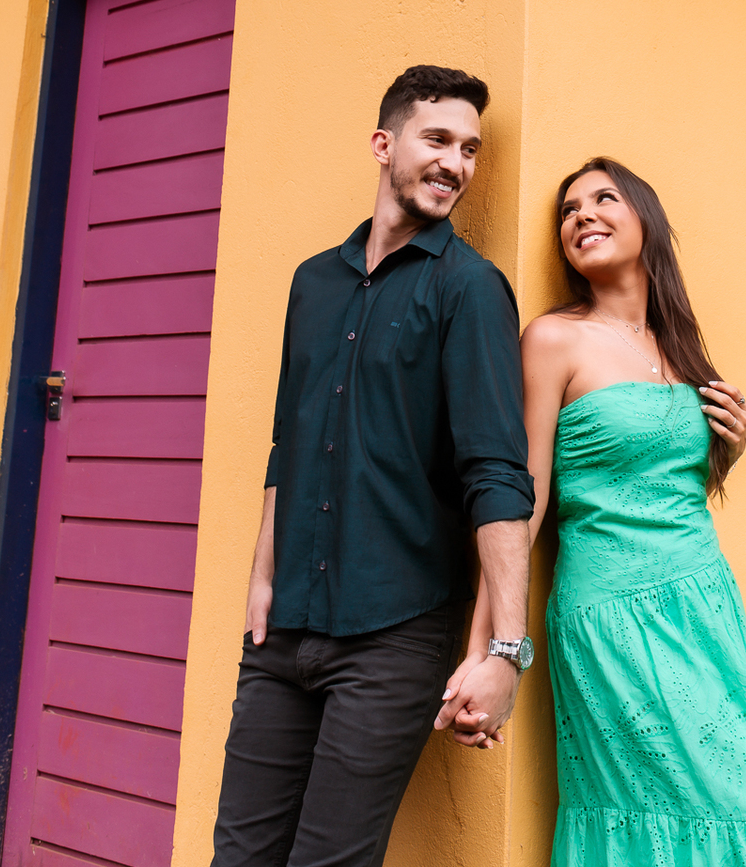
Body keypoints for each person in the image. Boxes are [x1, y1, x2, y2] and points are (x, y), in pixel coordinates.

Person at [438, 156, 746, 866]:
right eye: (568, 209)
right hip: (614, 616)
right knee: (700, 806)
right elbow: (520, 500)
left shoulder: (678, 349)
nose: (581, 215)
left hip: (705, 605)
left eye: (603, 198)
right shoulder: (554, 340)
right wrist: (490, 652)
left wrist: (727, 453)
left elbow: (660, 481)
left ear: (646, 219)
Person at [211, 65, 536, 867]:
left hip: (394, 637)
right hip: (283, 630)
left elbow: (497, 476)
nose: (457, 163)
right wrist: (263, 574)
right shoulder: (312, 283)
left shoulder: (470, 289)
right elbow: (290, 440)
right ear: (384, 144)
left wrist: (504, 653)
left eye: (470, 149)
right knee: (237, 857)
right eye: (438, 140)